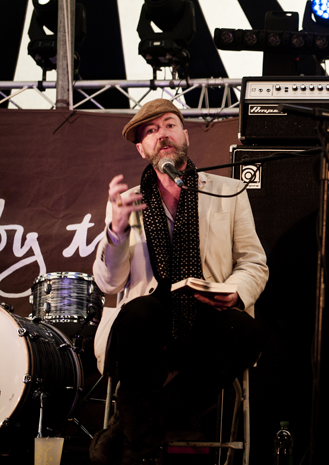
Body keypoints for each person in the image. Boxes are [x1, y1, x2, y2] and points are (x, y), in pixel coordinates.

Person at [90, 98, 269, 465]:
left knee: (247, 333)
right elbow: (109, 284)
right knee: (139, 315)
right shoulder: (127, 202)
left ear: (185, 135)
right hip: (149, 324)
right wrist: (117, 232)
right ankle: (142, 453)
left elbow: (253, 262)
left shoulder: (228, 191)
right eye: (151, 131)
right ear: (142, 149)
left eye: (169, 125)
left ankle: (129, 428)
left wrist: (235, 292)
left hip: (207, 313)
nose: (162, 134)